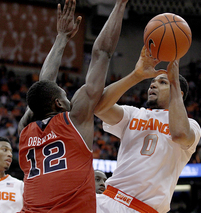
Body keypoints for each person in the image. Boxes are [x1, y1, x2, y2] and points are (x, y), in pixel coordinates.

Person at [17, 0, 128, 212]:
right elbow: (102, 53)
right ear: (58, 103)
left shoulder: (24, 130)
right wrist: (120, 5)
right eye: (65, 96)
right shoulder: (75, 120)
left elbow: (44, 83)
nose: (69, 100)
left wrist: (61, 38)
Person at [94, 47, 201, 213]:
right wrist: (136, 75)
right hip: (109, 199)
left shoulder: (191, 125)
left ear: (178, 92)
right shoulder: (134, 114)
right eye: (153, 81)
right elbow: (100, 108)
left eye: (163, 82)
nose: (153, 84)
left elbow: (180, 135)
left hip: (143, 209)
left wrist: (174, 82)